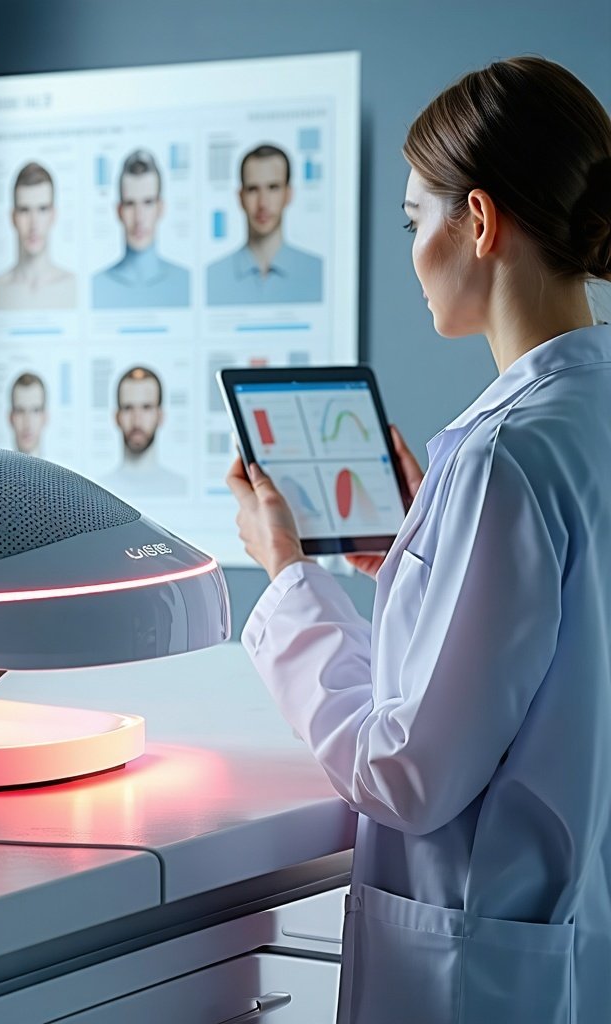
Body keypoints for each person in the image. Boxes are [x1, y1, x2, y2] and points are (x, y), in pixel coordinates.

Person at [226, 56, 611, 1023]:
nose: (410, 253)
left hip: (481, 970)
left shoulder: (504, 456)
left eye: (414, 222)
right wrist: (415, 553)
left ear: (478, 223)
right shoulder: (579, 421)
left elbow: (407, 771)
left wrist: (285, 579)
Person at [206, 143, 323, 305]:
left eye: (273, 187)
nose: (263, 203)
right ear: (240, 197)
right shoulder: (212, 277)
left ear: (288, 194)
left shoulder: (318, 272)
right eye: (253, 189)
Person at [92, 150, 190, 309]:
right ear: (119, 210)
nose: (139, 218)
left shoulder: (186, 281)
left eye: (148, 202)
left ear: (160, 208)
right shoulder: (96, 285)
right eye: (130, 204)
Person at [0, 162, 75, 311]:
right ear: (13, 217)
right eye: (24, 210)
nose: (34, 224)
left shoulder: (73, 285)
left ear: (53, 215)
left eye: (42, 209)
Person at [101, 366, 187, 497]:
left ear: (160, 416)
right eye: (128, 408)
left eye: (146, 407)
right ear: (116, 417)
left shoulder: (182, 488)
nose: (137, 421)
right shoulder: (101, 489)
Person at [7, 372, 48, 456]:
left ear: (45, 417)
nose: (28, 424)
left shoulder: (61, 469)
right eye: (20, 411)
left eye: (35, 410)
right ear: (10, 418)